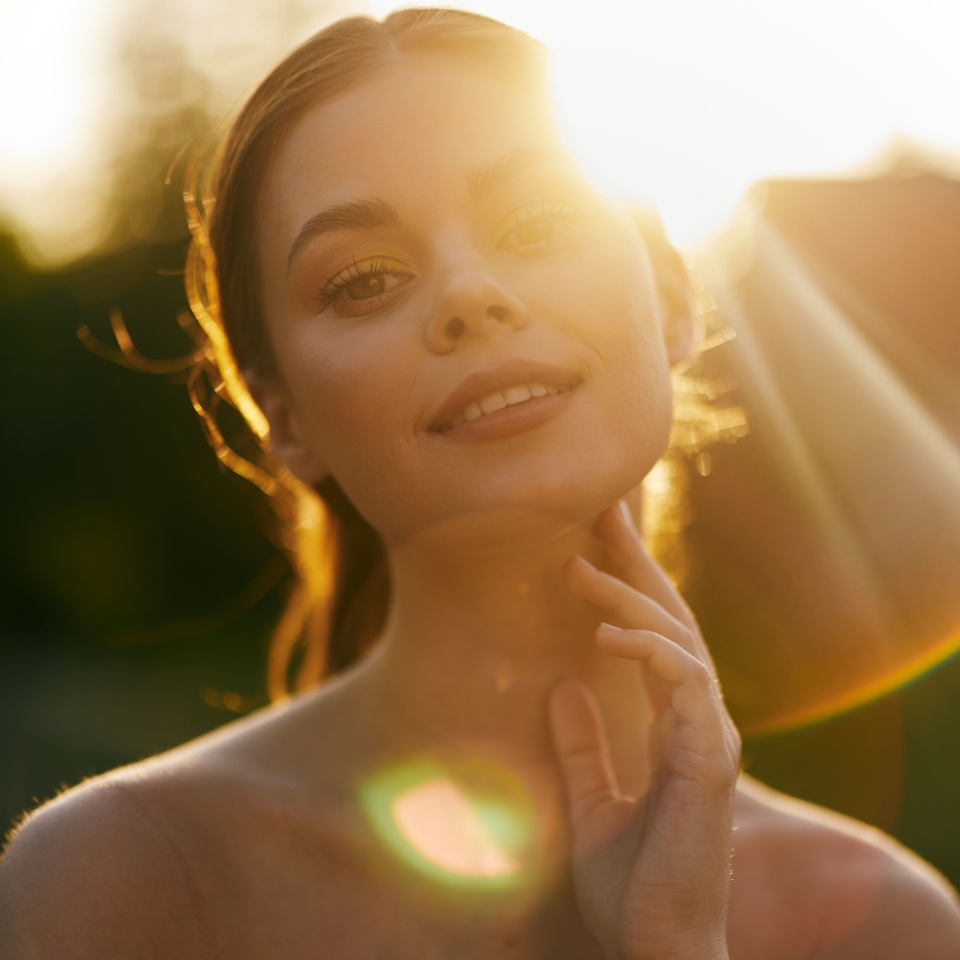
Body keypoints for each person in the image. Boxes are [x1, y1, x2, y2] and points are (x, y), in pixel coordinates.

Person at [2, 8, 959, 958]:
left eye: (539, 219)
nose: (469, 291)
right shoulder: (127, 880)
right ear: (284, 420)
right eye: (366, 278)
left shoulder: (886, 926)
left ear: (672, 302)